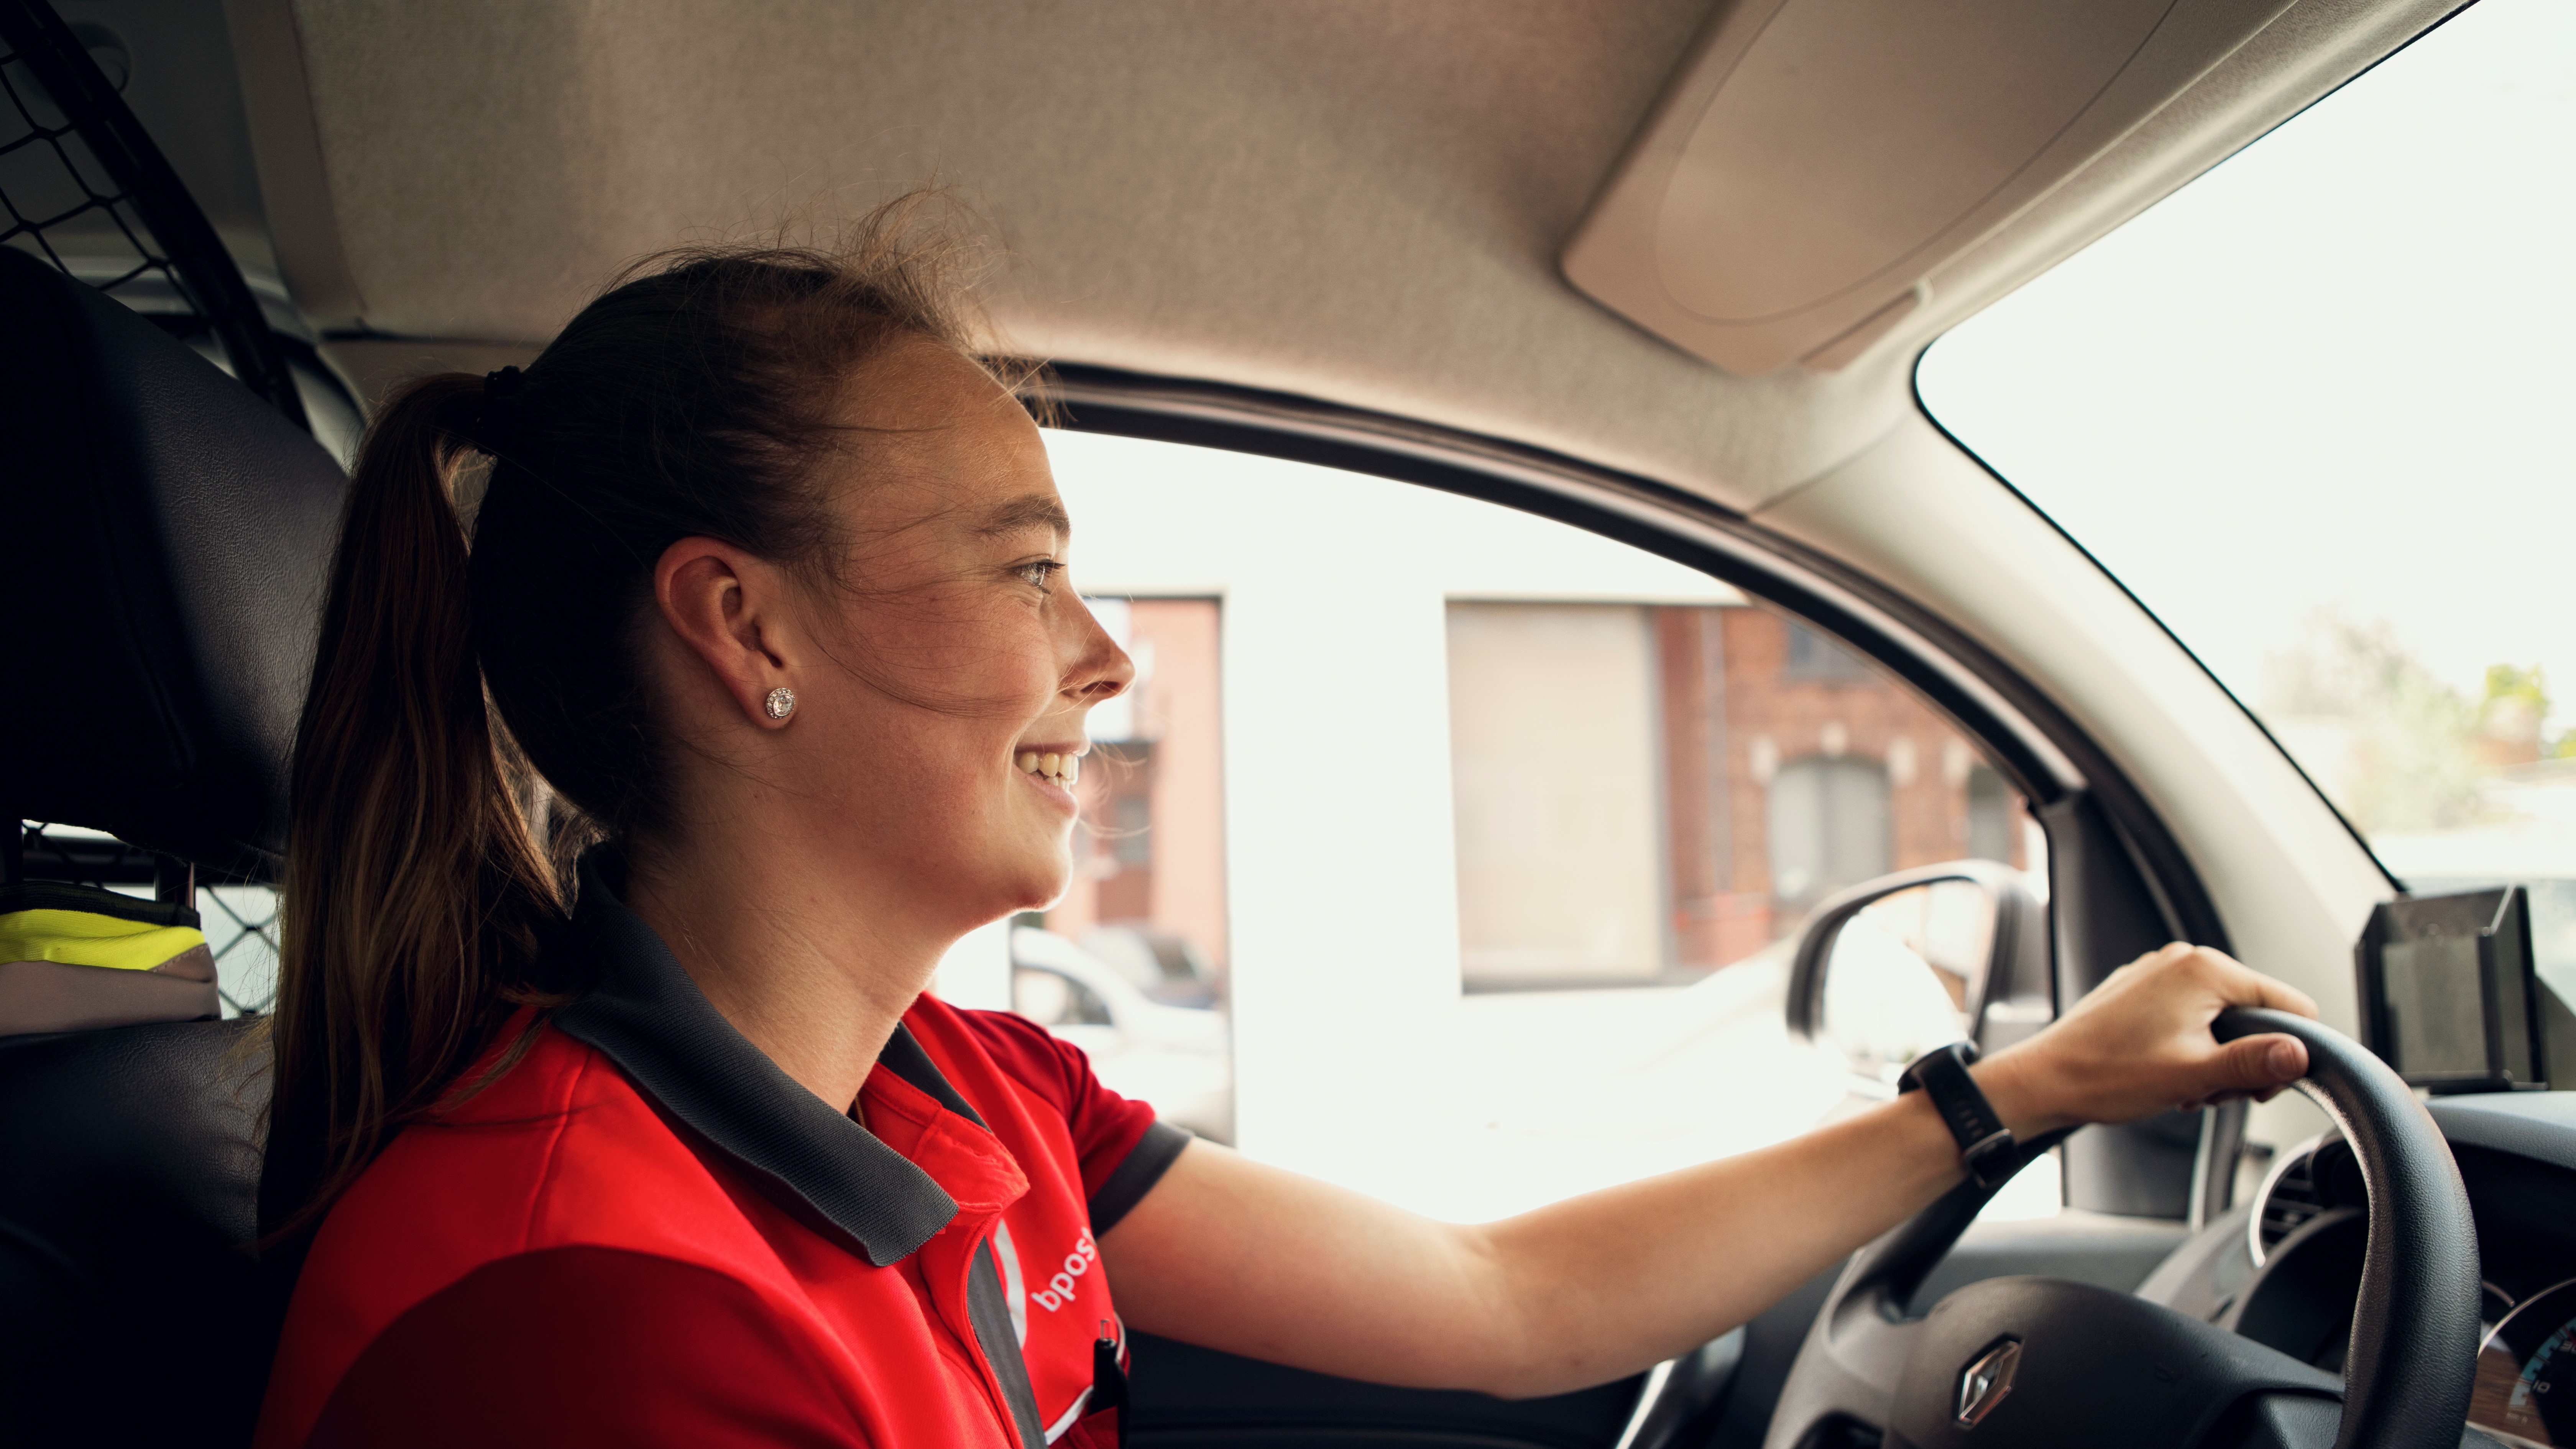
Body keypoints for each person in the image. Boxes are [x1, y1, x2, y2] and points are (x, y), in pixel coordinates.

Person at [250, 199, 2318, 1449]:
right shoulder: (586, 1319)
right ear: (746, 626)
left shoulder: (964, 1093)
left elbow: (1501, 1299)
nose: (1107, 662)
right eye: (1021, 568)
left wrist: (2022, 1087)